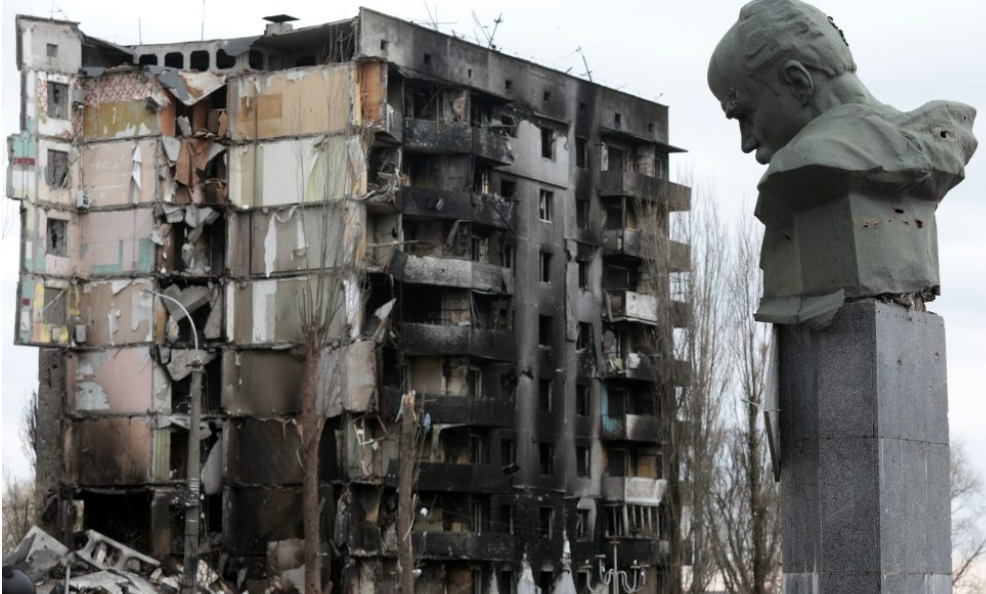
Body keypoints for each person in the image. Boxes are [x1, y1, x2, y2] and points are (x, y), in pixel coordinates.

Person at [707, 0, 977, 327]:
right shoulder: (933, 136)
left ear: (798, 82)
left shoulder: (812, 162)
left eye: (745, 115)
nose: (746, 141)